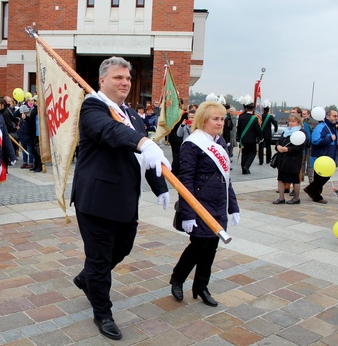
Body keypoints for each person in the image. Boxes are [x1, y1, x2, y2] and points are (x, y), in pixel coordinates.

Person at [70, 56, 170, 340]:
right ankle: (102, 312)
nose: (125, 82)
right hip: (97, 200)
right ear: (102, 80)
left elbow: (145, 155)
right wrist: (143, 141)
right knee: (100, 261)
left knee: (122, 249)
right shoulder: (93, 106)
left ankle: (86, 278)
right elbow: (111, 133)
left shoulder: (133, 116)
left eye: (127, 78)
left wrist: (159, 185)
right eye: (118, 77)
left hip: (126, 200)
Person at [169, 101, 240, 307]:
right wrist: (189, 213)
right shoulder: (193, 143)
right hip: (199, 204)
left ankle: (201, 286)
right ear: (203, 120)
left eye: (222, 119)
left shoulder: (221, 142)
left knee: (211, 248)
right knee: (198, 246)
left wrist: (233, 207)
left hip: (218, 203)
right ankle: (178, 278)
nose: (220, 123)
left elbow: (226, 178)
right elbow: (186, 180)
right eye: (215, 119)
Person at [304, 110, 338, 204]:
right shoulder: (321, 127)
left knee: (326, 176)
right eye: (334, 116)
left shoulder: (333, 127)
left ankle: (310, 189)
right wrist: (329, 138)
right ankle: (316, 196)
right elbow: (315, 141)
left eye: (337, 116)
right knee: (319, 178)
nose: (336, 118)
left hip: (330, 157)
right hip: (320, 157)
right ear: (327, 116)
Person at [272, 113, 306, 205]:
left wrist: (287, 149)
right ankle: (281, 198)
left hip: (293, 159)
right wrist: (278, 146)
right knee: (281, 178)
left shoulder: (301, 132)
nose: (291, 123)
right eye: (290, 121)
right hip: (282, 159)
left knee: (294, 179)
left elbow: (299, 147)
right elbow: (279, 141)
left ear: (298, 122)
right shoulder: (286, 131)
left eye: (293, 122)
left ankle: (296, 198)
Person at [236, 98, 262, 174]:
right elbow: (257, 129)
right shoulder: (254, 118)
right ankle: (246, 166)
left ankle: (243, 169)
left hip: (243, 139)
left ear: (246, 108)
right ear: (253, 108)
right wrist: (260, 137)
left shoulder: (241, 117)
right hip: (251, 140)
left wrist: (239, 137)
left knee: (244, 153)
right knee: (252, 153)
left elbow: (239, 128)